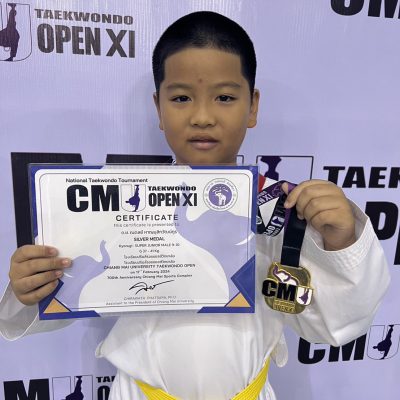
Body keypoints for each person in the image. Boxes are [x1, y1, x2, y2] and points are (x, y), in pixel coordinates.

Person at [0, 11, 390, 399]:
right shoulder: (116, 203)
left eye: (225, 97)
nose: (202, 117)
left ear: (252, 106)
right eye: (182, 98)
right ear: (159, 108)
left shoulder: (277, 210)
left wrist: (342, 242)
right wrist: (31, 286)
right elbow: (63, 297)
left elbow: (334, 325)